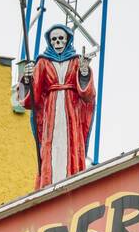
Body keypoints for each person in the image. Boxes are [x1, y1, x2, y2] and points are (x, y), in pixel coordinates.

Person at [19, 24, 96, 189]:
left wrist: (84, 72)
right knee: (50, 147)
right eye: (54, 39)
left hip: (71, 111)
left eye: (61, 38)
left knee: (72, 146)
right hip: (51, 112)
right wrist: (27, 79)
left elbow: (87, 94)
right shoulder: (42, 62)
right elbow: (31, 99)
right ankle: (48, 184)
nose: (58, 42)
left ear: (67, 39)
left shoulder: (76, 61)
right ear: (50, 41)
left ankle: (71, 180)